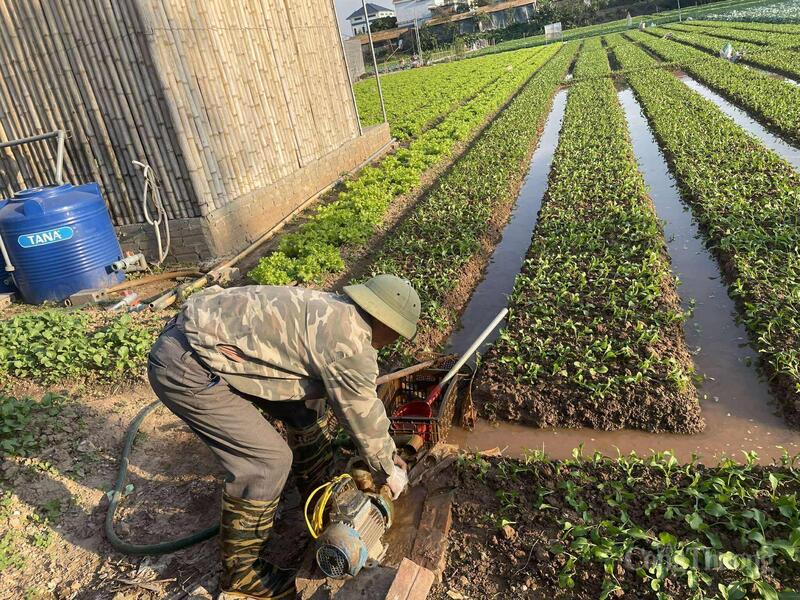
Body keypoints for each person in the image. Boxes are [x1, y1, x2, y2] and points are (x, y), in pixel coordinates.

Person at [147, 274, 421, 599]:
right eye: (397, 333)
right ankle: (241, 575)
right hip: (187, 367)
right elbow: (363, 417)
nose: (394, 341)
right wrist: (388, 468)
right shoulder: (351, 345)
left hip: (204, 342)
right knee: (267, 462)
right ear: (385, 322)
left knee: (305, 408)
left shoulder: (336, 309)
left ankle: (316, 489)